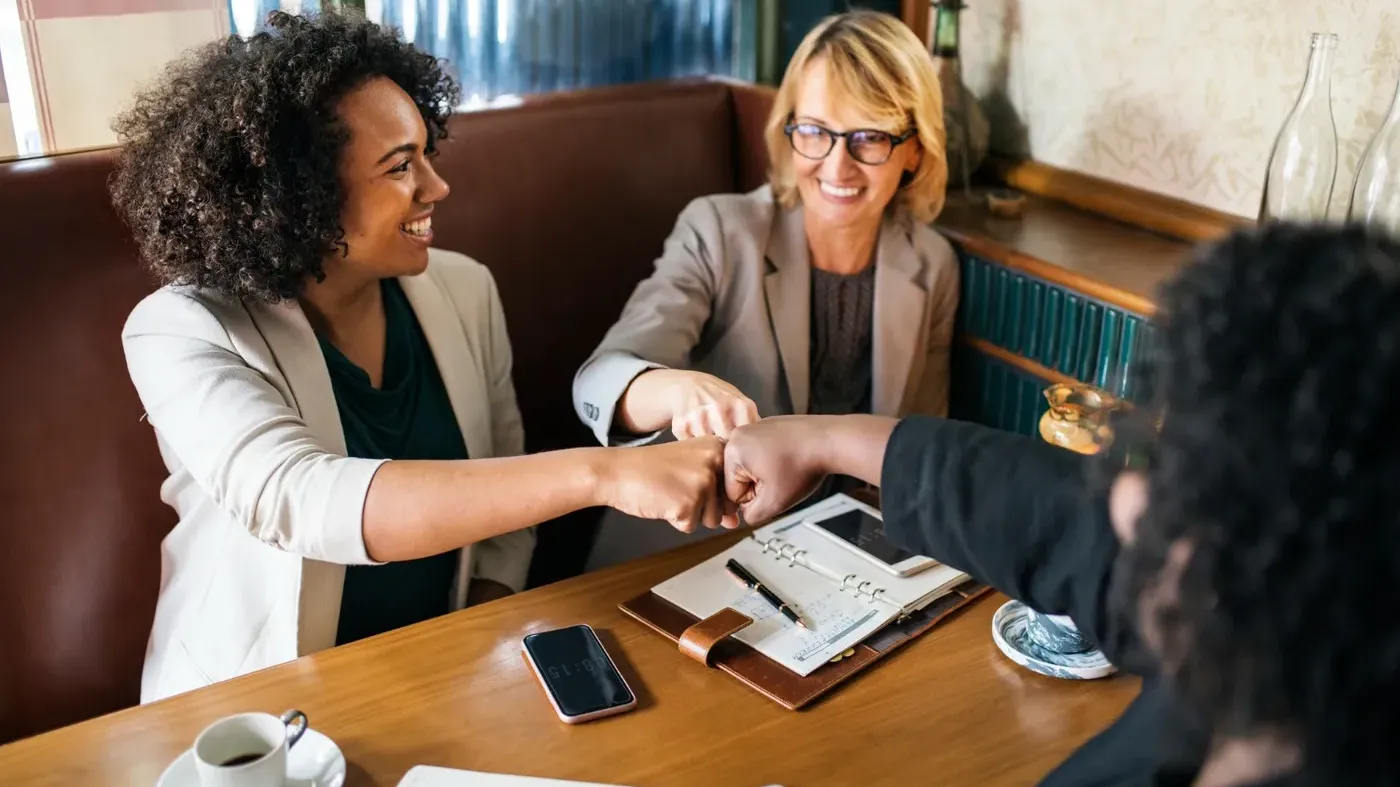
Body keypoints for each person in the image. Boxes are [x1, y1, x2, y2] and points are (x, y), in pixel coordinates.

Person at [111, 11, 732, 703]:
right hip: (252, 710)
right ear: (300, 196)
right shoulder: (180, 329)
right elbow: (301, 497)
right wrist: (607, 472)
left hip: (442, 677)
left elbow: (506, 509)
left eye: (427, 154)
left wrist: (472, 644)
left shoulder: (464, 289)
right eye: (401, 166)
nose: (437, 187)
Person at [723, 225, 1400, 786]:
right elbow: (1053, 512)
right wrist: (817, 439)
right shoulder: (1277, 652)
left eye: (1170, 472)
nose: (1128, 501)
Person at [572, 10, 955, 567]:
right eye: (816, 132)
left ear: (915, 148)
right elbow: (601, 382)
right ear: (790, 129)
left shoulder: (933, 264)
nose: (837, 166)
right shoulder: (719, 230)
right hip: (685, 557)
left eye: (869, 137)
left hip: (840, 564)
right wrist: (676, 389)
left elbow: (919, 449)